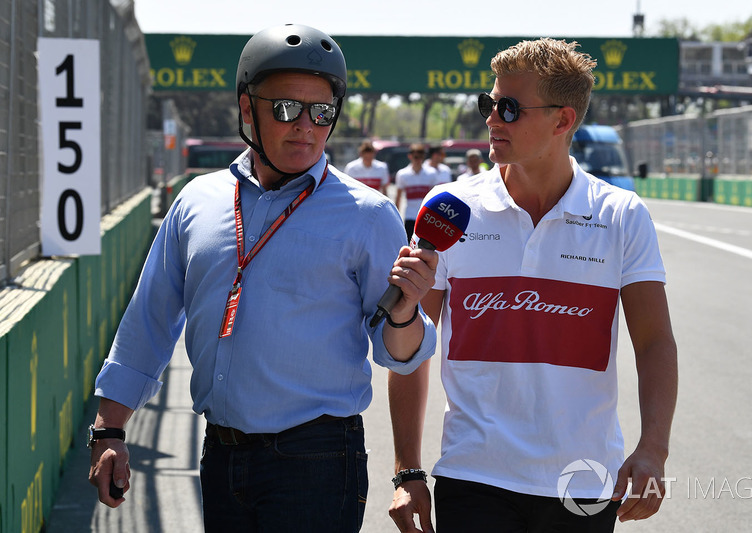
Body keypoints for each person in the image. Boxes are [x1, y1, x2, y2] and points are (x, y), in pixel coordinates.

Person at [87, 24, 439, 533]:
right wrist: (108, 428)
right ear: (246, 108)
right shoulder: (197, 201)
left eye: (322, 112)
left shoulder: (369, 214)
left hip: (317, 461)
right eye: (285, 109)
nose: (306, 126)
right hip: (221, 455)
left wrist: (406, 312)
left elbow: (400, 356)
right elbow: (149, 318)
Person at [388, 38, 678, 533]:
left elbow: (653, 343)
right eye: (488, 104)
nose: (491, 119)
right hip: (472, 475)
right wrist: (407, 469)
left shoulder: (621, 215)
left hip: (582, 481)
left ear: (563, 120)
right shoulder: (448, 208)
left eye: (509, 108)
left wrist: (653, 449)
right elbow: (410, 351)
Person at [394, 143, 440, 241]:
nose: (417, 160)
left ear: (423, 157)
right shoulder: (402, 174)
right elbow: (398, 197)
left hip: (426, 216)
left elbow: (435, 197)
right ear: (410, 156)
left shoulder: (431, 173)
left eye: (420, 157)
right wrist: (395, 217)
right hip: (410, 216)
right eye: (415, 157)